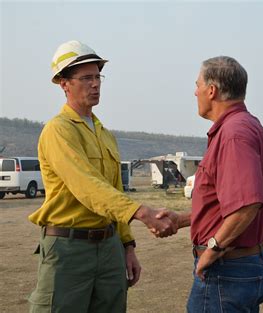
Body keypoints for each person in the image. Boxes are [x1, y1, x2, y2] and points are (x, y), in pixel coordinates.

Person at [28, 40, 176, 313]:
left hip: (109, 247)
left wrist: (127, 245)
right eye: (86, 78)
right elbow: (86, 186)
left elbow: (115, 189)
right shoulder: (58, 131)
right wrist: (141, 212)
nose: (95, 84)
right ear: (64, 83)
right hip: (68, 247)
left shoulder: (104, 134)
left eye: (98, 76)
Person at [160, 56, 263, 312]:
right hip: (238, 267)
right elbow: (228, 205)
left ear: (212, 90)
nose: (195, 91)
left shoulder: (234, 133)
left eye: (197, 84)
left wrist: (212, 250)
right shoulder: (243, 127)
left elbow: (247, 204)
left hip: (228, 269)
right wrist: (182, 219)